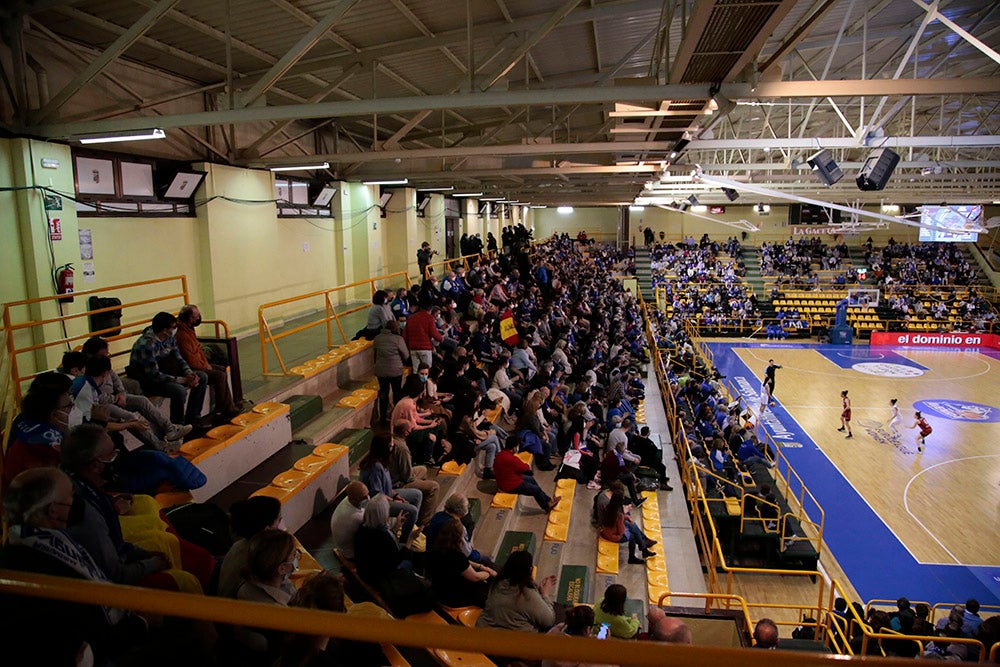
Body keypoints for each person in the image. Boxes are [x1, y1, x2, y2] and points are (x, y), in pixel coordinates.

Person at [0, 467, 147, 665]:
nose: (76, 501)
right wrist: (141, 624)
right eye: (71, 495)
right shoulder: (43, 576)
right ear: (54, 510)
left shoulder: (26, 542)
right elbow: (91, 640)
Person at [82, 336, 192, 448]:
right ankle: (160, 445)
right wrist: (114, 399)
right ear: (90, 355)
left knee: (142, 401)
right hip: (102, 404)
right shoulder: (85, 373)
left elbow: (115, 378)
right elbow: (95, 395)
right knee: (130, 417)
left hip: (116, 396)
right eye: (102, 355)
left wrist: (121, 393)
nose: (105, 357)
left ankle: (170, 429)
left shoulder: (103, 362)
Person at [128, 311, 209, 427]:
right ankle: (177, 425)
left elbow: (179, 358)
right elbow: (154, 376)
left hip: (165, 373)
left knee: (202, 376)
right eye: (173, 327)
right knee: (179, 391)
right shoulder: (146, 345)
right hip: (148, 380)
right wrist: (183, 380)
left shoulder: (168, 338)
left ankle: (193, 417)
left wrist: (189, 373)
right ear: (164, 330)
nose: (175, 329)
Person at [235, 528, 300, 658]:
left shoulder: (248, 583)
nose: (296, 558)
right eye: (294, 554)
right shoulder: (278, 612)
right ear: (281, 568)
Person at [176, 304, 240, 422]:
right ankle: (222, 409)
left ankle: (228, 406)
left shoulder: (189, 329)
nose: (199, 317)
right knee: (218, 375)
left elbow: (198, 351)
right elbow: (191, 361)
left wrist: (206, 364)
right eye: (197, 316)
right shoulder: (182, 335)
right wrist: (206, 366)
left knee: (221, 369)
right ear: (190, 318)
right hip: (190, 368)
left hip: (198, 364)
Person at [358, 435, 423, 545]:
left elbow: (387, 487)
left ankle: (408, 525)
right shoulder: (376, 466)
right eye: (390, 446)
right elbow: (376, 494)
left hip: (388, 495)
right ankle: (404, 540)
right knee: (412, 510)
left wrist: (396, 495)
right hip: (378, 503)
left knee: (417, 494)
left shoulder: (383, 462)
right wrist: (394, 501)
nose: (393, 448)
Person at [219, 495, 283, 598]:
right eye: (279, 520)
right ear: (267, 529)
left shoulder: (240, 545)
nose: (281, 523)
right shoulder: (256, 559)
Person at [476, 550, 556, 633]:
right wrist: (545, 594)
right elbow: (549, 620)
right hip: (511, 641)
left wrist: (536, 589)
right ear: (529, 570)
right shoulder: (527, 594)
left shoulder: (498, 583)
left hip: (484, 632)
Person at [426, 518, 494, 608]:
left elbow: (464, 563)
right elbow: (475, 577)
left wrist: (480, 567)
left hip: (439, 590)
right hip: (454, 597)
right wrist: (488, 573)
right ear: (459, 537)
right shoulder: (456, 556)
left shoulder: (436, 550)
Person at [494, 435, 561, 512]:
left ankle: (548, 500)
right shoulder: (511, 459)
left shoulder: (501, 454)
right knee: (536, 490)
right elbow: (525, 467)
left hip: (506, 480)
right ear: (514, 447)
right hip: (510, 485)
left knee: (531, 479)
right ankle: (546, 505)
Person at [388, 425, 439, 524]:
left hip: (397, 475)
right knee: (434, 486)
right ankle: (424, 522)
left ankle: (422, 504)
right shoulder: (402, 448)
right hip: (398, 483)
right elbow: (407, 476)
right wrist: (415, 480)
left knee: (423, 469)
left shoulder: (393, 440)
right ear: (406, 432)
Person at [599, 489, 656, 565]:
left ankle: (643, 548)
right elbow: (621, 531)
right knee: (632, 535)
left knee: (631, 526)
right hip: (612, 535)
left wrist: (626, 517)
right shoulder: (619, 514)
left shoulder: (609, 506)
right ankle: (638, 552)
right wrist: (624, 517)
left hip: (606, 530)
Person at [373, 319, 409, 424]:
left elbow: (375, 355)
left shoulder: (377, 338)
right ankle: (397, 418)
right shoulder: (398, 339)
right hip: (395, 371)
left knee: (383, 393)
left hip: (381, 371)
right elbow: (406, 355)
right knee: (397, 393)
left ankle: (383, 418)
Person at [328, 481, 368, 560]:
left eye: (367, 494)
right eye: (364, 497)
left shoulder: (348, 499)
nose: (368, 498)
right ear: (354, 500)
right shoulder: (355, 517)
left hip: (342, 545)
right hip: (351, 553)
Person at [402, 298, 444, 370]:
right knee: (426, 370)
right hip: (425, 349)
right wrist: (441, 338)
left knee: (416, 370)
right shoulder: (430, 318)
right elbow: (434, 333)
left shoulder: (411, 318)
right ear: (431, 309)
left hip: (413, 348)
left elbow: (405, 335)